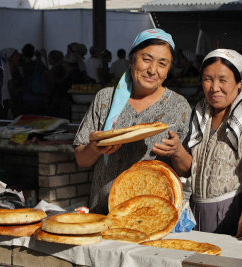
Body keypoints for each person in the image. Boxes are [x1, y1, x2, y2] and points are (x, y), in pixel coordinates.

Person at [163, 49, 242, 242]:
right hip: (200, 214)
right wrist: (177, 151)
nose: (214, 87)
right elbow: (193, 170)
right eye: (208, 79)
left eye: (223, 80)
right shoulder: (200, 113)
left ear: (239, 83)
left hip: (239, 214)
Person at [74, 29, 191, 215]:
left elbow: (186, 170)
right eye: (146, 59)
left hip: (154, 214)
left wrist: (177, 151)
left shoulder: (179, 107)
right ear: (132, 60)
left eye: (162, 64)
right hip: (104, 212)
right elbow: (81, 159)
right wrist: (96, 148)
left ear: (169, 70)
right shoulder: (106, 99)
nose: (152, 70)